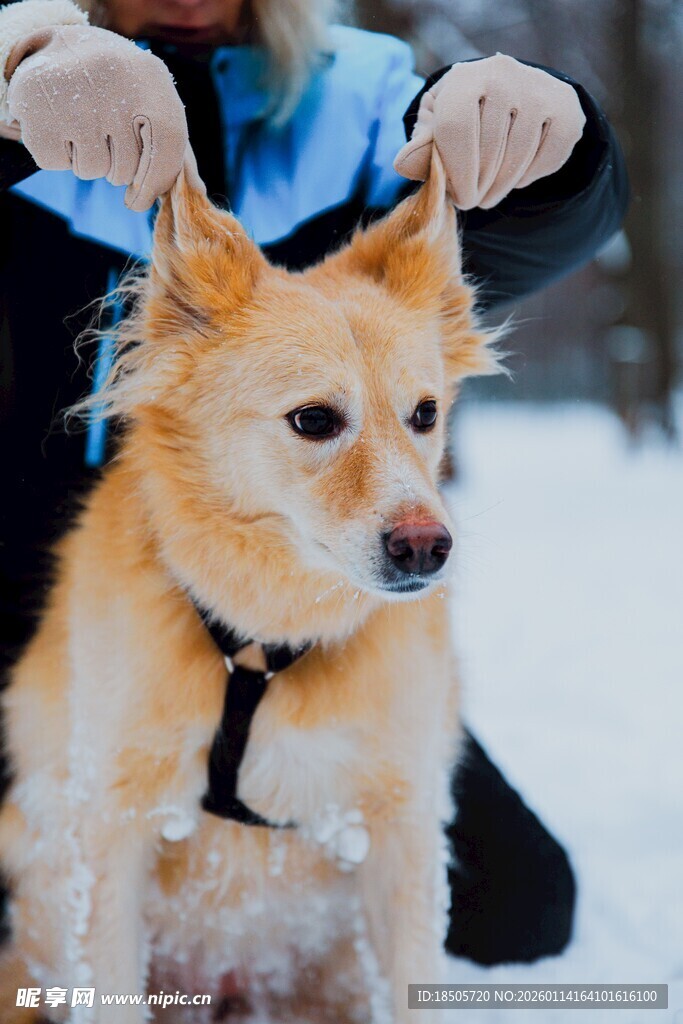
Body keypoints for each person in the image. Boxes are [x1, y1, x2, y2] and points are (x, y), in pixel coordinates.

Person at [0, 0, 627, 967]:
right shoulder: (34, 73)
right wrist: (15, 73)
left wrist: (563, 149)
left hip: (318, 608)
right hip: (42, 595)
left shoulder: (367, 97)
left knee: (522, 902)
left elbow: (522, 236)